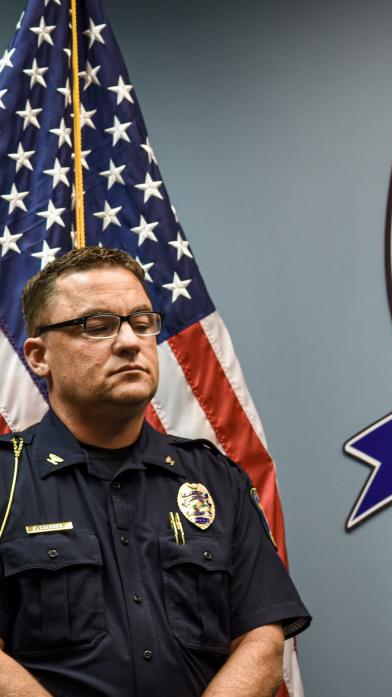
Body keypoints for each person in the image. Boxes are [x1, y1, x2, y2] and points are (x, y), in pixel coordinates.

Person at [0, 247, 310, 697]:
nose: (130, 342)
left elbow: (261, 636)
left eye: (142, 323)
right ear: (38, 355)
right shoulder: (6, 479)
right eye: (98, 326)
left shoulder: (216, 478)